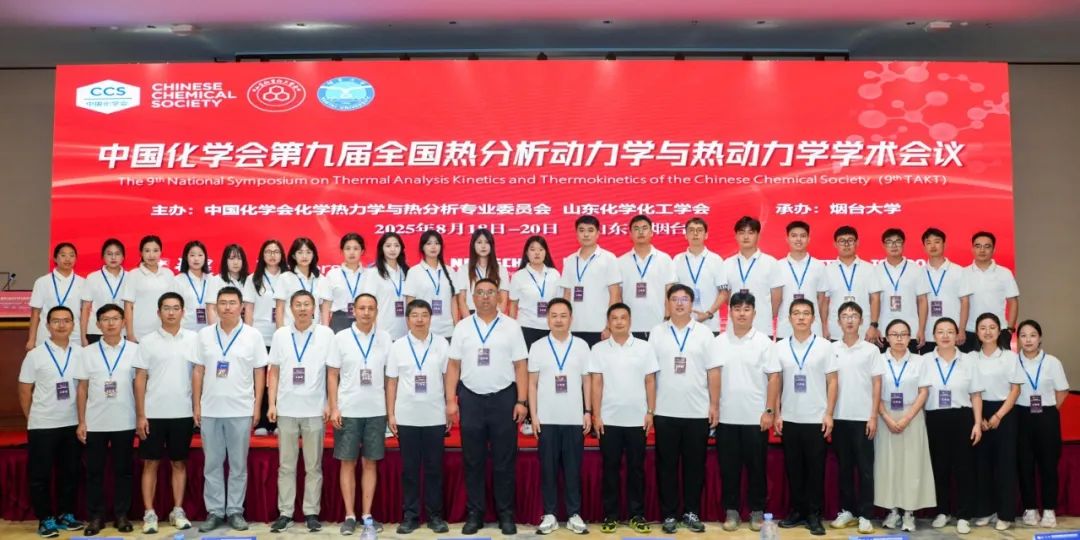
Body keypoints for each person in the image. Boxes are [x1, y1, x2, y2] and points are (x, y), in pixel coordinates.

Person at [445, 278, 529, 535]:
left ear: (499, 297)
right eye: (480, 292)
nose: (485, 297)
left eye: (490, 292)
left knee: (505, 460)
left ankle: (505, 514)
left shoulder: (512, 327)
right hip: (471, 398)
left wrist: (521, 401)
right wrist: (451, 400)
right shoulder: (463, 327)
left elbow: (521, 366)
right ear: (473, 298)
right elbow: (453, 366)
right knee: (473, 460)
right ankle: (475, 513)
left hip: (504, 399)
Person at [192, 286, 268, 533]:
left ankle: (235, 510)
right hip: (210, 409)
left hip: (241, 409)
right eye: (222, 303)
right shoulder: (204, 335)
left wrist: (257, 406)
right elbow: (198, 371)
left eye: (232, 303)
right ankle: (215, 511)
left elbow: (260, 372)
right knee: (212, 464)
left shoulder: (253, 335)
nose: (227, 307)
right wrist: (196, 405)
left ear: (241, 307)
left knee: (238, 465)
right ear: (215, 307)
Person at [649, 284, 719, 534]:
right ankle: (669, 514)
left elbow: (714, 371)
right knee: (666, 466)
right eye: (675, 299)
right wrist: (650, 409)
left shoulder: (705, 333)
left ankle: (691, 512)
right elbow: (649, 374)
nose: (679, 303)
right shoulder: (657, 332)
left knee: (695, 466)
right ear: (667, 303)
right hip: (665, 411)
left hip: (697, 412)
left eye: (685, 299)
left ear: (692, 304)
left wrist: (714, 405)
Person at [267, 290, 335, 533]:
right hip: (286, 409)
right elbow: (274, 371)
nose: (303, 308)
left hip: (314, 409)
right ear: (291, 308)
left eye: (307, 304)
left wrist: (329, 403)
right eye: (298, 304)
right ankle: (285, 512)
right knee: (286, 465)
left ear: (314, 308)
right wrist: (272, 403)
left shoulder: (326, 334)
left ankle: (311, 512)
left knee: (313, 466)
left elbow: (331, 372)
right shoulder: (280, 335)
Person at [711, 292, 779, 532]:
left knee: (756, 468)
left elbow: (773, 378)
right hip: (726, 417)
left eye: (746, 309)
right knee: (728, 468)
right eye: (737, 309)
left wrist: (769, 410)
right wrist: (714, 406)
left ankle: (757, 511)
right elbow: (713, 376)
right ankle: (731, 511)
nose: (742, 313)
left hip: (755, 417)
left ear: (754, 313)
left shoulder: (764, 342)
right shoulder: (718, 342)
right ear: (729, 312)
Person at [589, 303, 658, 534]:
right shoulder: (598, 349)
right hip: (608, 420)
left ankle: (637, 515)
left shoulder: (644, 348)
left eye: (623, 317)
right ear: (608, 322)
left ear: (630, 321)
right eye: (614, 318)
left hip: (637, 419)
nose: (619, 322)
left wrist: (650, 412)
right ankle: (611, 515)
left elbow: (650, 381)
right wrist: (597, 415)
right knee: (610, 469)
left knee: (636, 469)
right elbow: (596, 383)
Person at [17, 306, 86, 538]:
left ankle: (66, 514)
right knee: (40, 475)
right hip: (43, 424)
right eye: (56, 321)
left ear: (73, 325)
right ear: (47, 326)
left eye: (66, 320)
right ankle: (45, 518)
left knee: (70, 472)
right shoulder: (35, 355)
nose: (61, 325)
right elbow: (24, 390)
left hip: (73, 423)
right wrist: (32, 418)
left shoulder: (81, 353)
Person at [329, 293, 394, 535]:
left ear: (377, 311)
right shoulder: (341, 338)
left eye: (371, 308)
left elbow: (390, 377)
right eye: (362, 308)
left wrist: (390, 411)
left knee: (370, 462)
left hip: (376, 410)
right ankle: (349, 515)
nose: (366, 313)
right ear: (353, 311)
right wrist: (334, 407)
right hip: (348, 410)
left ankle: (367, 515)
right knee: (348, 462)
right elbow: (332, 375)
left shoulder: (385, 338)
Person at [132, 292, 196, 534]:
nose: (171, 312)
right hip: (154, 414)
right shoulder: (147, 341)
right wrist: (141, 414)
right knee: (151, 463)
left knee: (179, 463)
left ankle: (177, 510)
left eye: (176, 308)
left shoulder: (193, 339)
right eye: (166, 308)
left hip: (183, 412)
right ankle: (149, 512)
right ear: (158, 312)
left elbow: (198, 375)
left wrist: (196, 408)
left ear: (183, 312)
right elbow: (140, 379)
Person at [386, 300, 451, 534]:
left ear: (431, 318)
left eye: (424, 315)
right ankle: (410, 516)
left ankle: (435, 516)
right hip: (407, 416)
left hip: (435, 415)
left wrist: (449, 407)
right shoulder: (398, 346)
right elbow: (391, 382)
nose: (420, 319)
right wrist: (391, 413)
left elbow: (448, 378)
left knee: (434, 469)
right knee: (410, 470)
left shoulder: (442, 343)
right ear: (407, 320)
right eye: (415, 315)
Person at [774, 298, 837, 536]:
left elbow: (833, 381)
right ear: (789, 318)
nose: (801, 317)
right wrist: (777, 413)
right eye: (796, 313)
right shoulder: (780, 347)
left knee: (815, 470)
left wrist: (829, 413)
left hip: (816, 418)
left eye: (806, 313)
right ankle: (797, 511)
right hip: (790, 418)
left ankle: (813, 514)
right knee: (794, 469)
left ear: (813, 318)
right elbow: (776, 382)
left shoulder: (824, 346)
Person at [528, 298, 591, 534]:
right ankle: (550, 514)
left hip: (574, 418)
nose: (558, 320)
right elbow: (532, 384)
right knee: (548, 470)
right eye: (554, 315)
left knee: (573, 470)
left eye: (563, 315)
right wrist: (534, 415)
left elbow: (587, 381)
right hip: (547, 418)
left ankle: (574, 513)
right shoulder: (538, 346)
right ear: (547, 319)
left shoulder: (582, 346)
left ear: (571, 319)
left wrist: (588, 411)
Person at [75, 304, 137, 535]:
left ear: (124, 322)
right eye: (105, 319)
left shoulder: (135, 350)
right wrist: (82, 421)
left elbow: (140, 385)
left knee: (124, 471)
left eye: (115, 318)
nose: (111, 323)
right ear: (97, 324)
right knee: (94, 472)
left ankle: (122, 515)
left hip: (125, 420)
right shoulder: (87, 352)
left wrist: (141, 416)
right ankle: (96, 517)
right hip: (95, 422)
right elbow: (82, 388)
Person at [921, 317, 983, 535]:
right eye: (940, 331)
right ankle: (943, 511)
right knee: (939, 467)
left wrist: (977, 423)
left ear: (957, 335)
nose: (945, 336)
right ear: (933, 336)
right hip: (935, 418)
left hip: (962, 417)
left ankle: (964, 515)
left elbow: (976, 395)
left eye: (950, 331)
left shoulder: (968, 360)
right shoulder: (925, 360)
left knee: (964, 468)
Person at [875, 319, 935, 533]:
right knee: (888, 464)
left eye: (903, 334)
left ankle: (909, 512)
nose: (899, 338)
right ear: (886, 338)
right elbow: (873, 391)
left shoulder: (920, 361)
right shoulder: (878, 360)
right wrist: (887, 417)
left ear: (910, 337)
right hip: (885, 416)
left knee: (912, 465)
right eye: (894, 334)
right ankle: (892, 511)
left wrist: (907, 418)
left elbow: (923, 392)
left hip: (912, 415)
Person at [829, 302, 884, 534]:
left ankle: (866, 514)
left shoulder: (871, 350)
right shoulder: (831, 348)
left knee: (865, 469)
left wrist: (873, 416)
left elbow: (877, 384)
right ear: (838, 321)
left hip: (863, 418)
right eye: (845, 316)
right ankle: (847, 511)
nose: (849, 320)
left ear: (861, 320)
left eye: (854, 316)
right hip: (839, 417)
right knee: (844, 468)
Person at [1015, 319, 1070, 528]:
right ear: (1018, 339)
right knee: (1024, 464)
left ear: (1040, 338)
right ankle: (1030, 508)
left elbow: (1062, 391)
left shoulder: (1052, 362)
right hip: (1021, 415)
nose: (1028, 340)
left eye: (1033, 335)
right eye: (1023, 335)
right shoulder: (1013, 362)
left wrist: (1049, 410)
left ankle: (1048, 509)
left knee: (1048, 465)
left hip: (1046, 415)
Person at [971, 313, 1023, 531]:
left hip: (1005, 412)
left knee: (1005, 465)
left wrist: (998, 416)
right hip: (978, 412)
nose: (988, 332)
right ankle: (986, 510)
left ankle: (1005, 514)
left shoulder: (1010, 357)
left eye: (992, 327)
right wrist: (980, 418)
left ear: (999, 330)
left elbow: (1015, 390)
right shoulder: (971, 358)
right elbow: (971, 390)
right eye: (983, 328)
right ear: (977, 332)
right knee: (981, 465)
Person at [560, 215, 622, 347]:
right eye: (581, 230)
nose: (586, 234)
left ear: (598, 233)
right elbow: (567, 295)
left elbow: (615, 294)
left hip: (600, 328)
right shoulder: (570, 260)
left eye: (590, 230)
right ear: (576, 234)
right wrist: (564, 325)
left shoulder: (608, 258)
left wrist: (609, 326)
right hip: (574, 327)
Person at [248, 239, 287, 436]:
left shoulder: (288, 277)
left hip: (283, 335)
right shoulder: (253, 279)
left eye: (276, 251)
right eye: (268, 252)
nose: (272, 255)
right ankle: (262, 421)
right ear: (262, 256)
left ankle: (279, 420)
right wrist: (247, 335)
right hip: (259, 336)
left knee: (280, 379)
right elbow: (249, 309)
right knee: (260, 380)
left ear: (282, 255)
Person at [720, 216, 783, 336]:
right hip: (734, 330)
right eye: (741, 232)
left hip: (762, 328)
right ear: (736, 236)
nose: (746, 237)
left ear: (758, 235)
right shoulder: (727, 263)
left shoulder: (771, 263)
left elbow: (777, 297)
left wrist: (766, 316)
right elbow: (726, 296)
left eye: (750, 232)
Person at [618, 215, 676, 339]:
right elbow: (618, 295)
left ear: (651, 232)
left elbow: (670, 292)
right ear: (630, 234)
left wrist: (667, 317)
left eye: (644, 228)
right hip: (629, 326)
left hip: (659, 325)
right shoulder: (621, 262)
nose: (640, 232)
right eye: (636, 229)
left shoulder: (664, 259)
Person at [821, 226, 881, 343]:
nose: (846, 244)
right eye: (842, 241)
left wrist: (873, 326)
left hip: (864, 330)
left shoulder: (869, 268)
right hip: (835, 330)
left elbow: (875, 299)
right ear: (835, 244)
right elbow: (825, 301)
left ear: (857, 243)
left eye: (850, 240)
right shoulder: (827, 270)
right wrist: (824, 326)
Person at [916, 229, 971, 354]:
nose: (933, 246)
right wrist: (920, 330)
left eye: (937, 242)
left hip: (953, 333)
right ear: (924, 247)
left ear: (944, 245)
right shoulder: (919, 273)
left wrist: (961, 330)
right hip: (928, 334)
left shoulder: (959, 271)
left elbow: (965, 302)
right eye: (928, 243)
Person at [962, 232, 1019, 352]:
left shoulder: (1004, 273)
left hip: (999, 331)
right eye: (978, 246)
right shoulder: (963, 273)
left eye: (987, 246)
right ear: (972, 249)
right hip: (970, 331)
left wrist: (1009, 329)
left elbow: (1013, 302)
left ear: (993, 249)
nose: (982, 250)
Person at [403, 230, 463, 338]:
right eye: (429, 243)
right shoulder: (414, 271)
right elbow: (410, 303)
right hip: (423, 330)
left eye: (437, 243)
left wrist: (455, 326)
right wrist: (412, 329)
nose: (433, 247)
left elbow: (454, 301)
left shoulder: (450, 271)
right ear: (422, 247)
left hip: (448, 331)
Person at [776, 221, 829, 340]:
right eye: (794, 236)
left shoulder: (819, 266)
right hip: (785, 328)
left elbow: (821, 300)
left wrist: (824, 326)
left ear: (808, 239)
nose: (798, 239)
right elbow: (775, 299)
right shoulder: (778, 266)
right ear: (787, 239)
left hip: (813, 328)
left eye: (803, 236)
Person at [672, 217, 725, 334]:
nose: (695, 234)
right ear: (685, 235)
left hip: (710, 324)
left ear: (706, 235)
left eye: (699, 230)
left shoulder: (716, 260)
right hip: (683, 322)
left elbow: (723, 292)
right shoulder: (677, 260)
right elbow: (672, 292)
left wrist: (708, 313)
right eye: (691, 230)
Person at [874, 229, 924, 352]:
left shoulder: (917, 270)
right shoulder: (875, 271)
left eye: (897, 241)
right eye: (889, 242)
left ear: (903, 244)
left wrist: (921, 329)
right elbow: (871, 302)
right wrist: (874, 327)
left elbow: (922, 301)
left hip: (911, 331)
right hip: (882, 331)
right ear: (884, 245)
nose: (894, 245)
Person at [28, 243, 85, 350]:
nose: (67, 259)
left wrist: (84, 338)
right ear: (55, 258)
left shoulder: (83, 283)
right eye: (63, 255)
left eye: (71, 255)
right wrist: (31, 339)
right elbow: (35, 314)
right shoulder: (42, 282)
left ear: (76, 259)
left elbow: (84, 314)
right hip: (46, 334)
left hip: (74, 335)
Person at [510, 235, 562, 347]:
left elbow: (559, 303)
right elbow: (513, 306)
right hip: (526, 327)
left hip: (550, 327)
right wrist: (511, 330)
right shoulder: (518, 276)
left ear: (546, 252)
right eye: (533, 249)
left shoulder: (554, 274)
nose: (537, 253)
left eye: (541, 249)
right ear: (526, 253)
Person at [123, 235, 175, 342]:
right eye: (147, 251)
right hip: (139, 334)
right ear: (141, 253)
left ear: (161, 252)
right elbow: (128, 306)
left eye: (155, 250)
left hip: (164, 332)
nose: (151, 255)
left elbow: (173, 304)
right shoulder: (133, 274)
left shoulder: (168, 274)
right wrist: (130, 334)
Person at [361, 232, 410, 340]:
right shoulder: (373, 273)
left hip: (405, 331)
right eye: (388, 246)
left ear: (401, 248)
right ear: (381, 249)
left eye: (396, 245)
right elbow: (369, 303)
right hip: (382, 331)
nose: (392, 249)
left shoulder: (407, 272)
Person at [275, 237, 331, 329]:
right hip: (290, 330)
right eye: (300, 252)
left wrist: (325, 331)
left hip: (315, 331)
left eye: (308, 252)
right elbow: (279, 308)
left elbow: (324, 310)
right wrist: (280, 331)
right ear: (294, 255)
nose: (304, 256)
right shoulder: (285, 278)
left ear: (313, 255)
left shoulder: (321, 280)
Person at [80, 239, 127, 346]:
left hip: (122, 331)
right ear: (103, 256)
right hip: (96, 331)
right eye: (109, 254)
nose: (113, 257)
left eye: (117, 254)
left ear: (123, 257)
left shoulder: (130, 277)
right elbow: (85, 309)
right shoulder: (92, 277)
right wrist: (83, 336)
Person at [458, 228, 511, 314]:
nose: (483, 246)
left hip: (494, 314)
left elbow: (503, 301)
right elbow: (462, 300)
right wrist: (469, 320)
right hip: (471, 314)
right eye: (479, 242)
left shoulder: (501, 270)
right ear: (473, 245)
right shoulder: (463, 269)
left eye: (487, 242)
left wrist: (496, 319)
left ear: (491, 245)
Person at [328, 232, 367, 333]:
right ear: (342, 251)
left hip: (364, 318)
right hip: (339, 320)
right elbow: (326, 304)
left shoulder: (370, 274)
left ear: (362, 251)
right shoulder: (333, 274)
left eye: (356, 248)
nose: (352, 252)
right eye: (348, 248)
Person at [175, 240, 216, 331]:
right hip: (186, 330)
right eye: (192, 255)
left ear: (205, 257)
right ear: (186, 257)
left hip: (209, 331)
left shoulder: (212, 279)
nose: (196, 259)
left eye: (200, 255)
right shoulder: (178, 280)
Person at [212, 244, 254, 325]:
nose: (235, 262)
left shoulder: (250, 280)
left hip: (246, 326)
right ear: (225, 261)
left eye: (239, 258)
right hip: (223, 325)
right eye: (231, 258)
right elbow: (212, 309)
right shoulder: (216, 280)